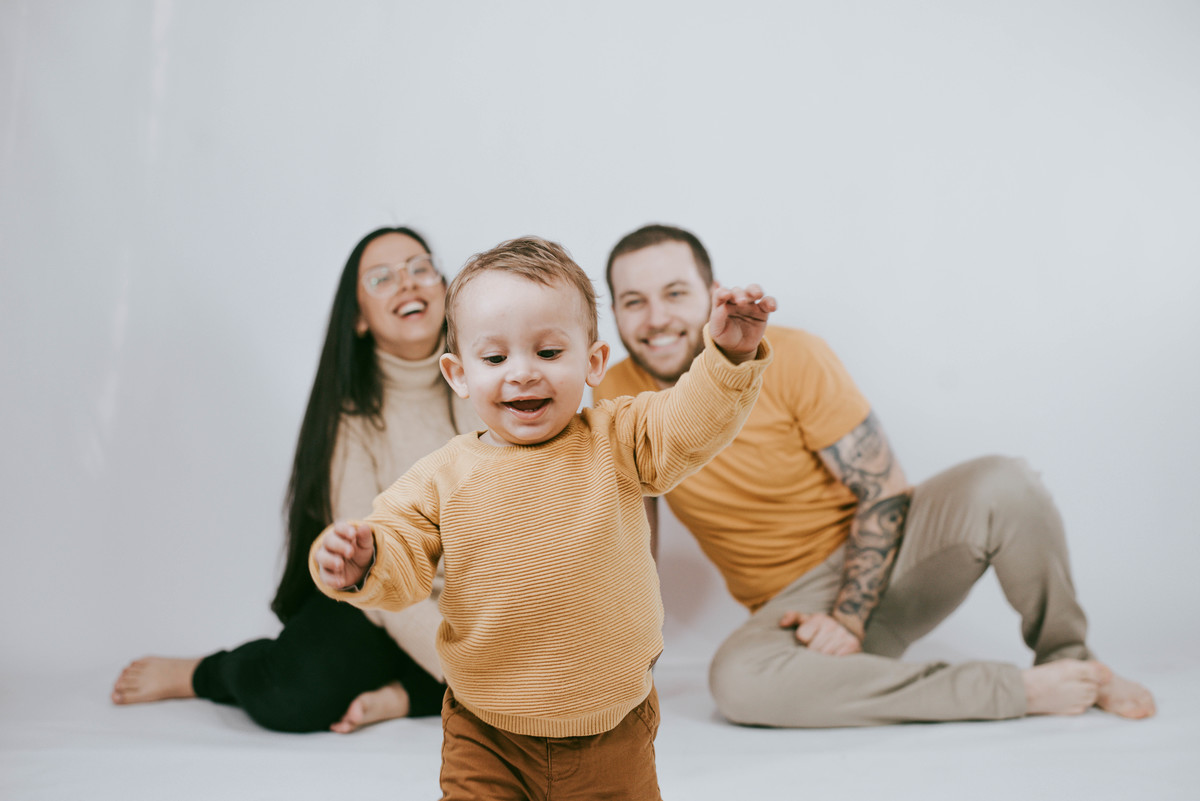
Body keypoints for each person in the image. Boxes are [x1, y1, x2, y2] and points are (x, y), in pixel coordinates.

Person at [594, 223, 1157, 727]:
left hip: (892, 562)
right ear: (614, 313)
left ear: (712, 294)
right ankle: (1019, 691)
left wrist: (849, 618)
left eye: (675, 293)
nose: (656, 318)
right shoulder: (616, 396)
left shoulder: (792, 355)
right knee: (737, 683)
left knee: (1007, 482)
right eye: (634, 301)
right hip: (792, 610)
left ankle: (1074, 663)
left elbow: (882, 490)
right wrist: (621, 667)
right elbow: (633, 541)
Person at [310, 236, 774, 799]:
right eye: (495, 358)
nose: (523, 373)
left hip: (613, 729)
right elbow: (401, 553)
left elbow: (688, 421)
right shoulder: (440, 476)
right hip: (487, 733)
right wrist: (366, 562)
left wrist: (728, 359)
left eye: (549, 353)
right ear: (458, 374)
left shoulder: (620, 438)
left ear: (593, 362)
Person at [111, 226, 481, 733]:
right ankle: (203, 673)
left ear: (445, 288)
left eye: (420, 267)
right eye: (381, 278)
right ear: (358, 319)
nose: (408, 283)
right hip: (388, 600)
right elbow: (376, 569)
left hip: (486, 596)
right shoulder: (351, 421)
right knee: (291, 693)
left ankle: (406, 695)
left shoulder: (495, 375)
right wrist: (467, 668)